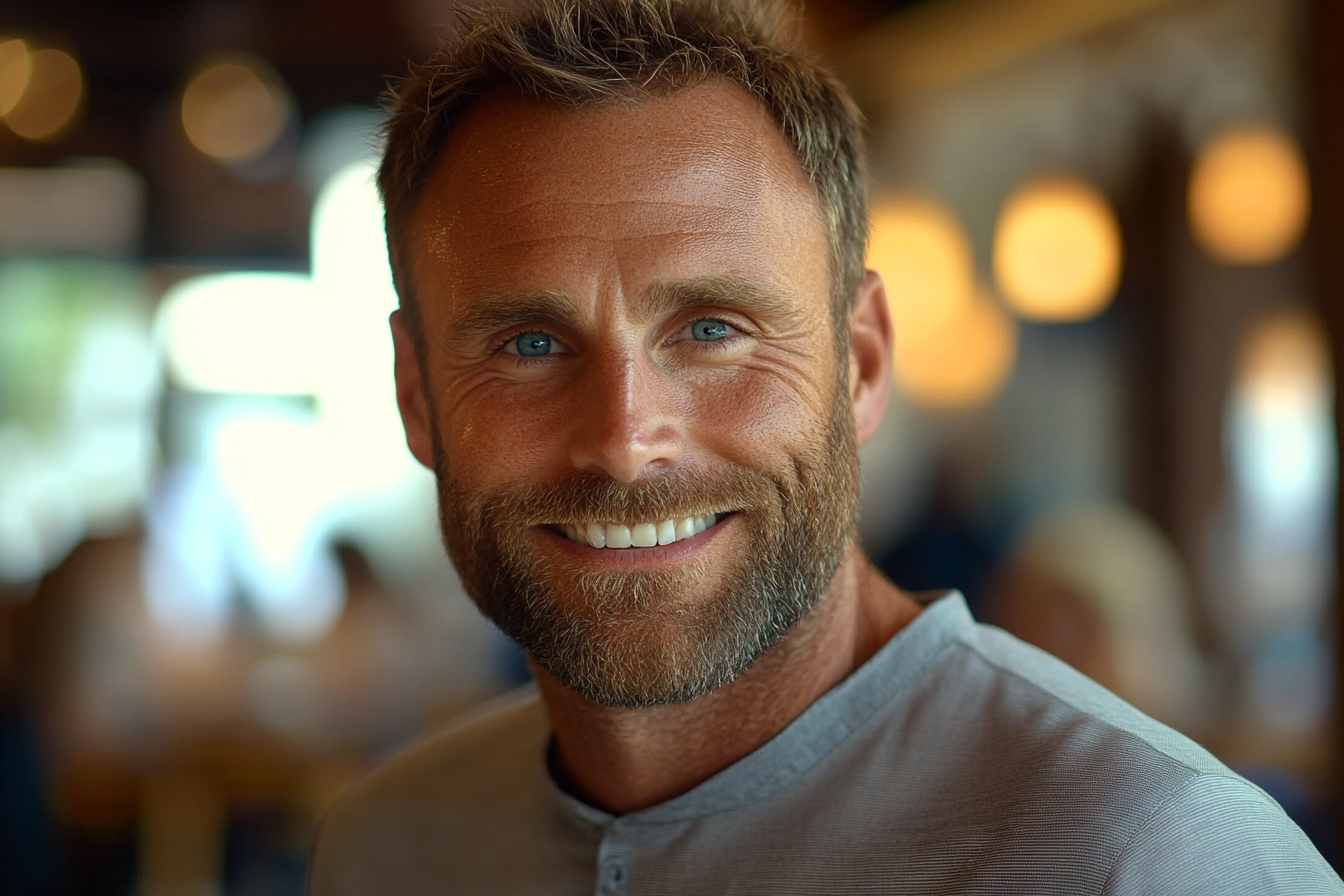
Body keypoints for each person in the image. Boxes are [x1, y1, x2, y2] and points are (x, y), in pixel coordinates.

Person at [308, 1, 1343, 893]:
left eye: (713, 329)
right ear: (416, 391)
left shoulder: (1146, 855)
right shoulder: (387, 847)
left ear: (861, 363)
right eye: (529, 344)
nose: (624, 442)